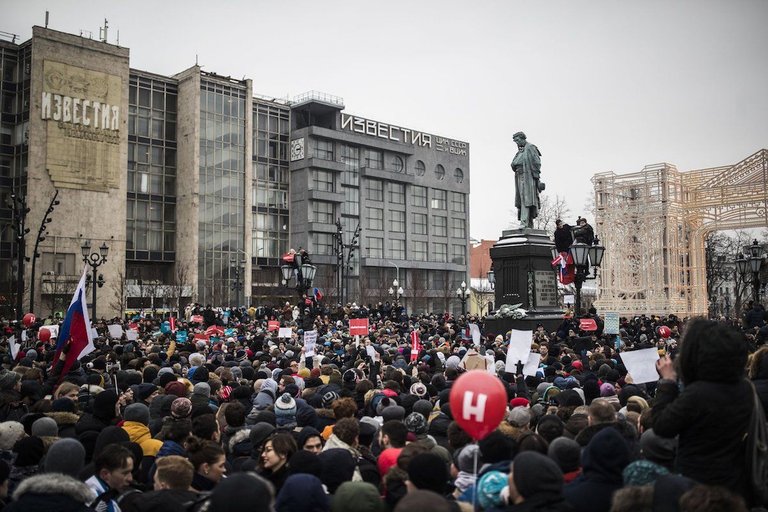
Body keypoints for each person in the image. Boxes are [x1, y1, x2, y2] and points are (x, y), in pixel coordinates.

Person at [653, 318, 752, 503]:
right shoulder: (744, 388)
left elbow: (661, 425)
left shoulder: (698, 394)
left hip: (697, 484)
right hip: (735, 481)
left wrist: (667, 381)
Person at [85, 444, 135, 512]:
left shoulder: (108, 495)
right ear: (105, 474)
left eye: (131, 472)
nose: (130, 479)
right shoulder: (95, 500)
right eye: (125, 473)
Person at [511, 131, 542, 229]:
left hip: (528, 177)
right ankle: (528, 223)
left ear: (522, 138)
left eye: (517, 140)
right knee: (522, 199)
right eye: (515, 141)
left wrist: (536, 178)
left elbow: (537, 162)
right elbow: (513, 163)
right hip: (519, 176)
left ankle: (524, 222)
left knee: (526, 199)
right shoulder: (520, 151)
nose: (517, 143)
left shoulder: (531, 148)